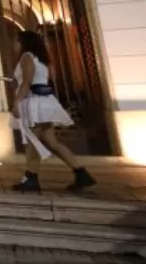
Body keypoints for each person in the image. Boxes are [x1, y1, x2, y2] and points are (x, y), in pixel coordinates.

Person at [10, 30, 97, 193]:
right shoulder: (42, 58)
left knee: (32, 140)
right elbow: (48, 78)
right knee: (52, 142)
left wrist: (16, 102)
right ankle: (81, 173)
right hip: (45, 102)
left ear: (24, 42)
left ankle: (31, 178)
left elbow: (27, 82)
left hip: (34, 103)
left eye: (16, 41)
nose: (14, 45)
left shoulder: (27, 56)